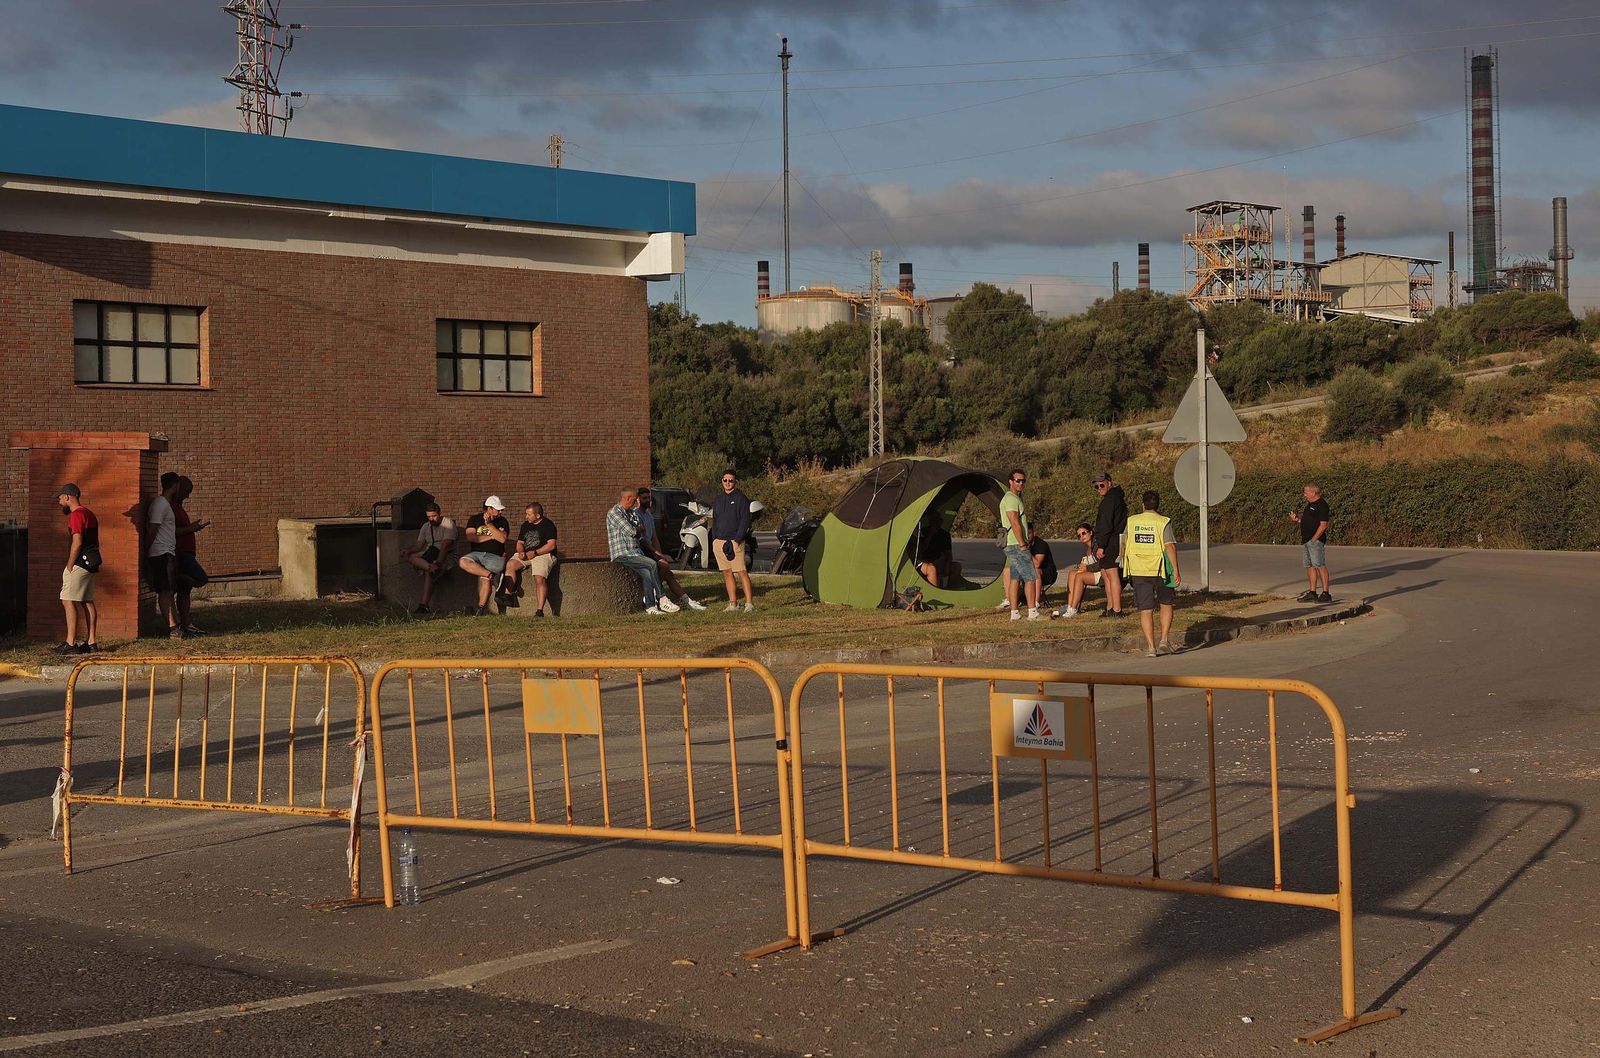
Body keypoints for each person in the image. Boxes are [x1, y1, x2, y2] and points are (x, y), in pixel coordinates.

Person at [1122, 490, 1181, 658]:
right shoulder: (1163, 521)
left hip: (1139, 569)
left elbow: (1123, 542)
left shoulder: (1131, 521)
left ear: (1143, 505)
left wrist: (1124, 564)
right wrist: (1176, 570)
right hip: (1161, 570)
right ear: (1158, 506)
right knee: (1166, 603)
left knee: (1146, 609)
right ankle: (1164, 641)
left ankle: (1151, 648)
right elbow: (1170, 546)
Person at [607, 488, 679, 614]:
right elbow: (631, 531)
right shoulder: (614, 513)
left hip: (635, 553)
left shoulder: (631, 513)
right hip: (623, 554)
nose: (635, 503)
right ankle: (662, 599)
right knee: (651, 564)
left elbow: (640, 534)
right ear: (628, 498)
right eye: (634, 500)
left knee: (647, 573)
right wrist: (638, 529)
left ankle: (650, 607)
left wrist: (639, 530)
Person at [636, 486, 706, 611]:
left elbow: (654, 537)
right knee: (664, 568)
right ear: (637, 500)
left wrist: (659, 553)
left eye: (649, 498)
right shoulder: (636, 515)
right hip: (642, 551)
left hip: (651, 549)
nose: (648, 501)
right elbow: (643, 540)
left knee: (668, 573)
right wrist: (656, 554)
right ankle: (655, 596)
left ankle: (687, 601)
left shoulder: (649, 515)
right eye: (644, 498)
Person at [55, 484, 100, 655]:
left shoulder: (76, 515)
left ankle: (70, 643)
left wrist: (69, 564)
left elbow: (77, 542)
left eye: (60, 498)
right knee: (86, 600)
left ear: (68, 497)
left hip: (80, 562)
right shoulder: (89, 513)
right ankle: (91, 642)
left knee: (67, 600)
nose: (59, 502)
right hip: (92, 561)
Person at [710, 471, 756, 613]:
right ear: (722, 481)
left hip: (735, 541)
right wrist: (715, 539)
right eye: (725, 480)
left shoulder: (741, 499)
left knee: (741, 572)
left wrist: (737, 539)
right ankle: (733, 604)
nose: (728, 483)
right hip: (720, 542)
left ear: (735, 482)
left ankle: (749, 604)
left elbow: (745, 521)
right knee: (726, 572)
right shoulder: (718, 500)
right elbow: (715, 520)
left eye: (731, 480)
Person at [172, 476, 212, 636]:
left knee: (185, 591)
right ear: (178, 488)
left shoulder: (178, 507)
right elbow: (171, 531)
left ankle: (186, 623)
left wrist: (192, 527)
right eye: (187, 491)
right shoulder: (170, 507)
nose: (188, 496)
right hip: (181, 553)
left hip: (187, 552)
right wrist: (190, 529)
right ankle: (179, 578)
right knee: (201, 578)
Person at [502, 502, 559, 616]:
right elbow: (520, 543)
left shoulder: (548, 525)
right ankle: (508, 595)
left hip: (542, 554)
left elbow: (552, 545)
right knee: (510, 565)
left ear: (537, 516)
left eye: (529, 514)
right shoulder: (525, 525)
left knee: (539, 578)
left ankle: (539, 611)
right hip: (527, 553)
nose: (526, 517)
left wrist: (536, 552)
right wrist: (520, 551)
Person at [401, 501, 457, 615]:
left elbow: (445, 546)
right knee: (410, 556)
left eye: (434, 516)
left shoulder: (448, 523)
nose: (431, 519)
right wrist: (408, 550)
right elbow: (418, 545)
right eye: (429, 517)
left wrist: (439, 563)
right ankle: (431, 568)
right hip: (430, 553)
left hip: (445, 555)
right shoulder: (426, 526)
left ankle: (424, 605)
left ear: (439, 513)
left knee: (428, 572)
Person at [458, 496, 511, 616]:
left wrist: (490, 525)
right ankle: (492, 576)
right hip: (477, 555)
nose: (500, 512)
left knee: (486, 580)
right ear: (489, 508)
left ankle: (481, 609)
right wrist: (493, 536)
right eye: (498, 509)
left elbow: (502, 539)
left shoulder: (502, 521)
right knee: (463, 561)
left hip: (495, 556)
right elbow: (471, 537)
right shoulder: (474, 519)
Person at [1000, 468, 1040, 621]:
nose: (1021, 483)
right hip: (1016, 544)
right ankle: (1032, 612)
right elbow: (1014, 522)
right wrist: (1023, 543)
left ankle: (1014, 613)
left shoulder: (1014, 498)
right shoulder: (1011, 499)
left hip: (1013, 543)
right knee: (1030, 577)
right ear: (1010, 481)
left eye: (1023, 481)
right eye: (1017, 480)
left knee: (1015, 578)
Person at [147, 471, 183, 639]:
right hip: (161, 553)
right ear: (175, 486)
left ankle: (177, 624)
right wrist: (147, 550)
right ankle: (172, 628)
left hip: (167, 552)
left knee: (169, 590)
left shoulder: (164, 504)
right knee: (165, 591)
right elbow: (153, 529)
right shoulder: (160, 504)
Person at [1091, 471, 1128, 618]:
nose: (1099, 488)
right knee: (1106, 575)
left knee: (1112, 575)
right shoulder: (1114, 498)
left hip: (1111, 542)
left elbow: (1106, 525)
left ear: (1109, 483)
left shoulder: (1110, 500)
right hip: (1112, 540)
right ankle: (1110, 607)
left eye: (1102, 485)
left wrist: (1101, 545)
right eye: (1097, 486)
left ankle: (1117, 609)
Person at [1290, 483, 1332, 603]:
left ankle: (1326, 593)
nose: (1305, 494)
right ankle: (1312, 592)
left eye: (1306, 492)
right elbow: (1307, 521)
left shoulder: (1322, 505)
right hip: (1306, 540)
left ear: (1313, 493)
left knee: (1319, 565)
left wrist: (1314, 539)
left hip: (1315, 541)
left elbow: (1323, 524)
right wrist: (1297, 520)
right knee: (1309, 566)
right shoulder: (1310, 505)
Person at [1054, 523, 1103, 618]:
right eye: (1079, 535)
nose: (1082, 537)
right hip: (1093, 571)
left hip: (1101, 573)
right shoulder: (1087, 547)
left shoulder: (1096, 545)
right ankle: (1069, 606)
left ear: (1091, 533)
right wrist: (1080, 566)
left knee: (1080, 576)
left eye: (1084, 533)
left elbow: (1101, 564)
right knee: (1072, 573)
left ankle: (1074, 608)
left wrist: (1087, 568)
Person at [912, 512, 957, 588]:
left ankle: (945, 587)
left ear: (941, 521)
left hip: (939, 561)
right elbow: (920, 551)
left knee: (956, 567)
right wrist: (930, 534)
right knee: (931, 568)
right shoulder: (923, 532)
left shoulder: (945, 535)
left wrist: (947, 565)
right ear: (930, 521)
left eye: (938, 520)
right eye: (933, 520)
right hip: (926, 560)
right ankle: (935, 589)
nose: (936, 523)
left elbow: (948, 553)